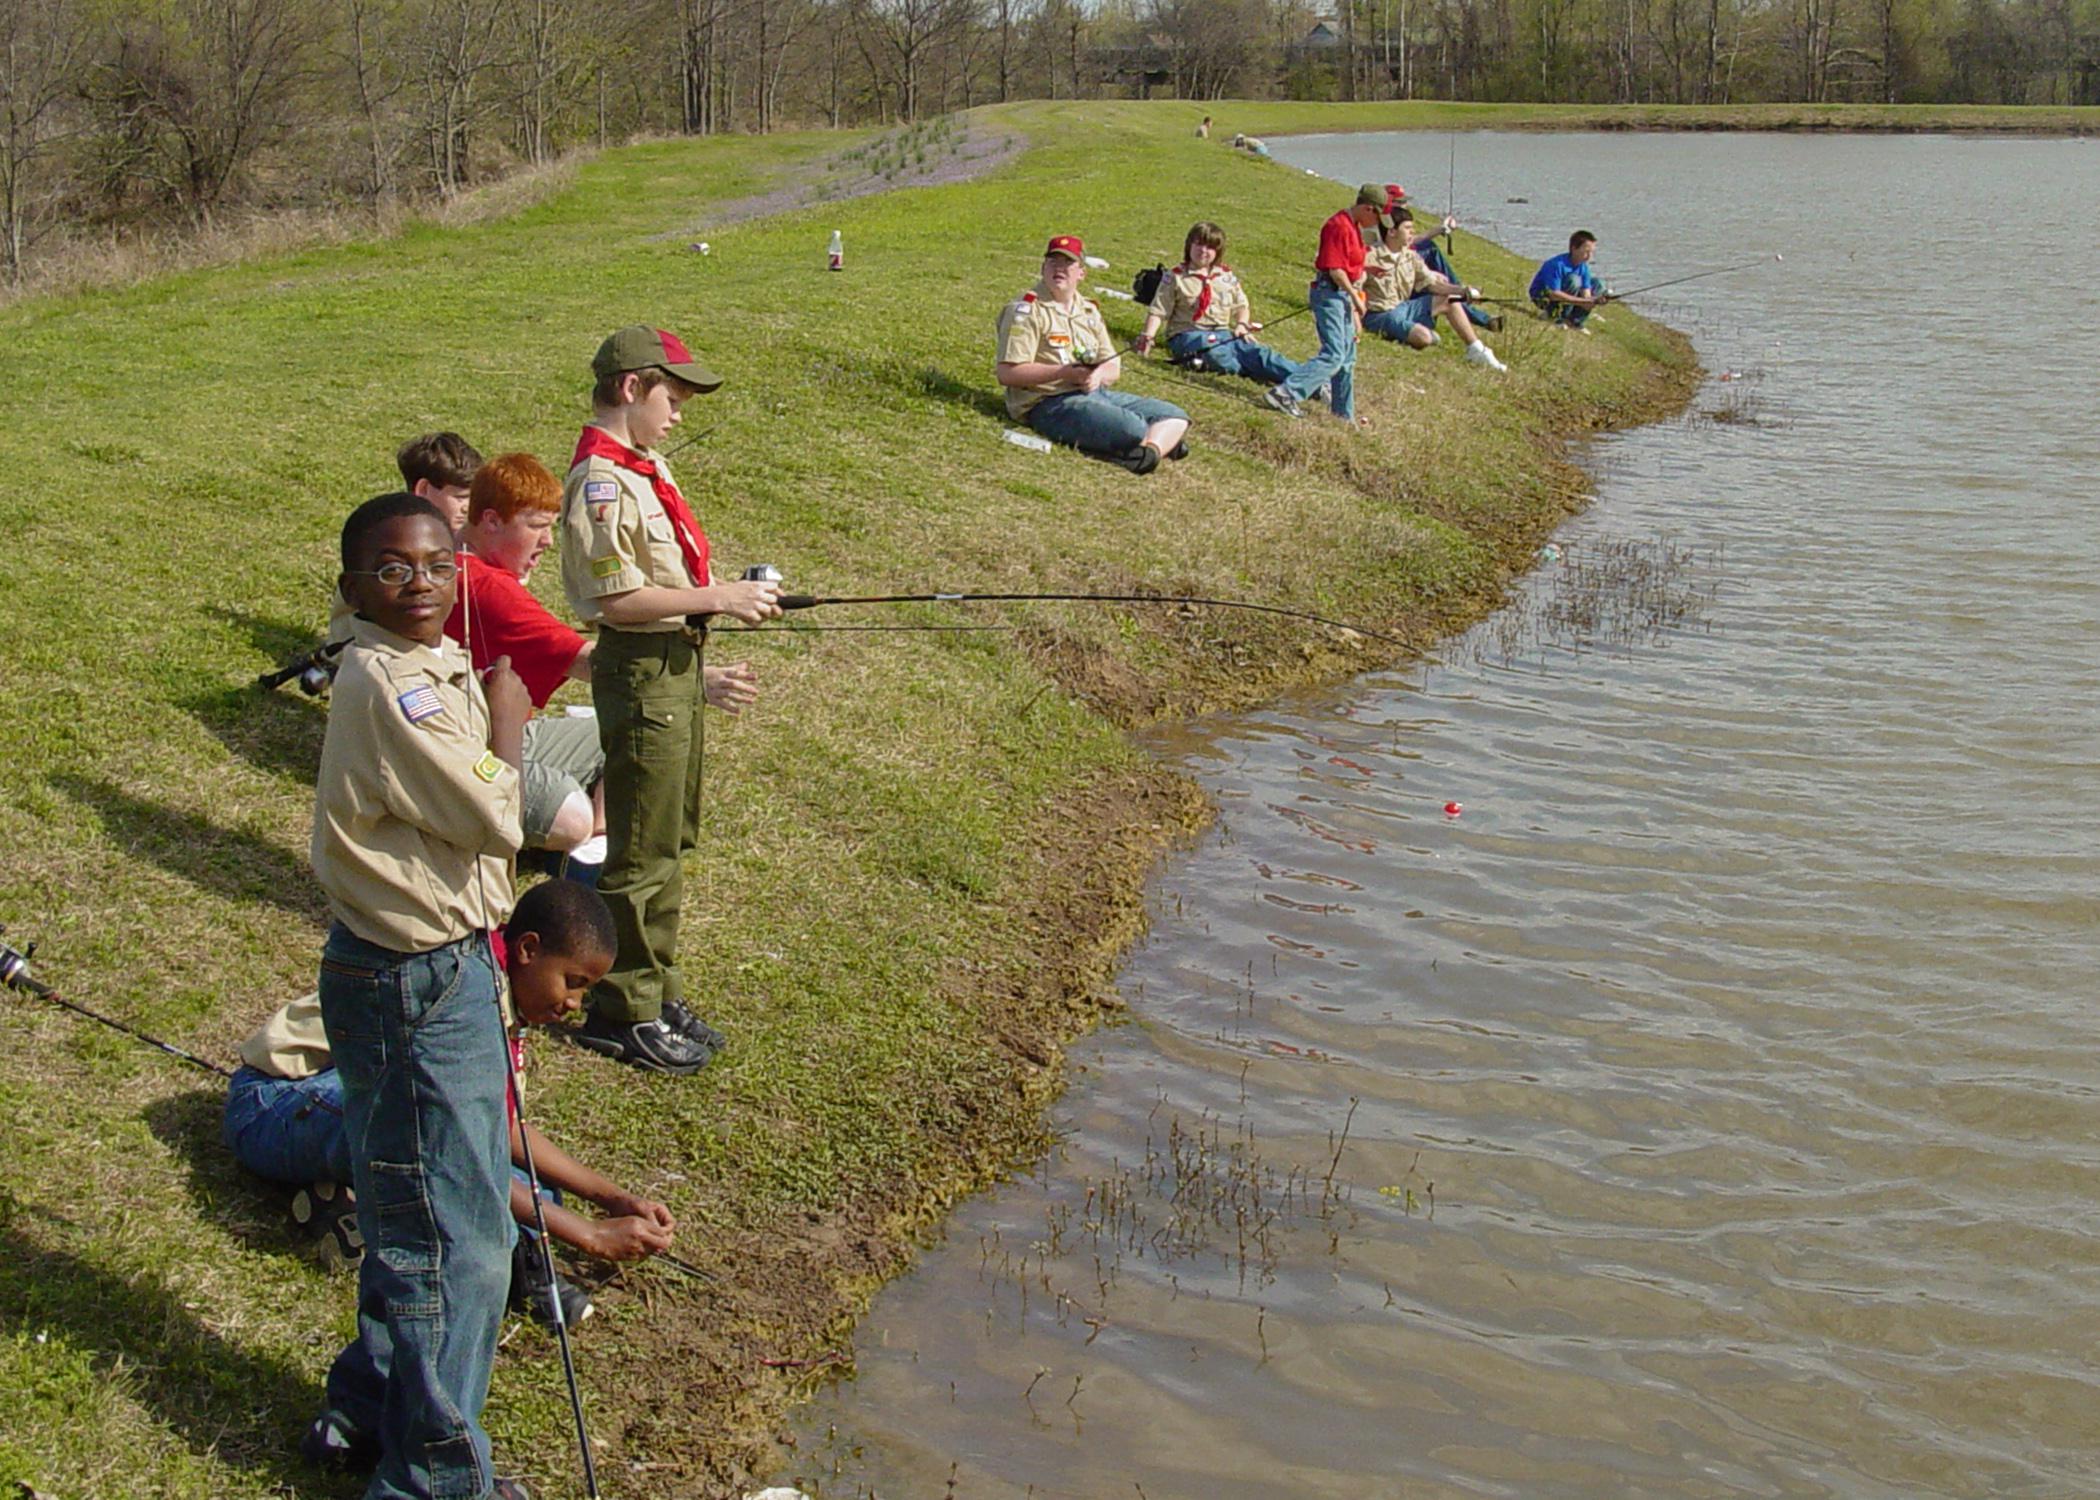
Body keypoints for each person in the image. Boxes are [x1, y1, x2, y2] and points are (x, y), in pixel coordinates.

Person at [303, 491, 532, 1498]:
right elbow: (495, 809)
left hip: (442, 962)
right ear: (352, 587)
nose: (420, 585)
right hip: (411, 977)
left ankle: (368, 1402)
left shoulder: (424, 667)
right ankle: (433, 1480)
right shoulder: (396, 687)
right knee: (457, 1239)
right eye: (393, 570)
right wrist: (514, 726)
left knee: (432, 1204)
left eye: (438, 565)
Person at [223, 880, 675, 1331]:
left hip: (353, 1100)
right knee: (437, 1154)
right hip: (273, 1101)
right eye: (572, 983)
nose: (573, 1005)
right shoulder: (465, 997)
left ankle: (361, 1198)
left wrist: (611, 1198)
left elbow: (503, 1128)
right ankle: (399, 1212)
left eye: (586, 992)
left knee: (532, 1188)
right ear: (528, 950)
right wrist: (587, 1234)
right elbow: (451, 1145)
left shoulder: (504, 990)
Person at [560, 325, 783, 1075]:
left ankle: (658, 988)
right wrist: (718, 597)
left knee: (672, 840)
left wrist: (718, 605)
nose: (679, 413)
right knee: (640, 850)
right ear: (632, 388)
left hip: (678, 666)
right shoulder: (599, 480)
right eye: (673, 397)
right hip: (643, 669)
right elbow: (614, 599)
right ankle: (619, 1010)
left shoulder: (644, 464)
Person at [450, 453, 763, 882]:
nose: (546, 542)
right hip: (475, 753)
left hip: (507, 733)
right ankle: (571, 841)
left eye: (551, 527)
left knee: (628, 724)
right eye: (536, 527)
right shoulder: (488, 588)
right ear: (490, 521)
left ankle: (572, 829)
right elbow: (586, 660)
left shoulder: (451, 551)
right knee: (574, 817)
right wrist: (693, 680)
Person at [996, 235, 1190, 474]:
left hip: (1094, 393)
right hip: (1047, 402)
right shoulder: (1025, 311)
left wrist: (1097, 375)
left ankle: (1149, 451)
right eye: (1053, 262)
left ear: (1081, 273)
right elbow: (1007, 373)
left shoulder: (1088, 310)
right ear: (1042, 267)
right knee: (1133, 427)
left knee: (1176, 415)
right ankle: (1156, 441)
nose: (1059, 269)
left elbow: (1112, 364)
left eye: (1067, 264)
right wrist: (1062, 373)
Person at [1263, 184, 1388, 425]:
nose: (1377, 223)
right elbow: (1334, 270)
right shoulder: (1337, 226)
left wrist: (1366, 269)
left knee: (1348, 358)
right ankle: (1286, 393)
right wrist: (1355, 298)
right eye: (1376, 216)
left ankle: (1343, 414)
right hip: (1330, 295)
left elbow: (1347, 261)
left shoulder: (1354, 226)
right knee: (1334, 354)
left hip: (1340, 295)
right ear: (1367, 208)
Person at [1131, 222, 1302, 392]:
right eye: (1198, 244)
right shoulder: (1175, 277)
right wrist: (1147, 336)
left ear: (1217, 252)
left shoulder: (1225, 276)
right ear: (1189, 245)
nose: (1203, 251)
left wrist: (1242, 325)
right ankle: (1255, 370)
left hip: (1224, 333)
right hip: (1189, 334)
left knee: (1262, 353)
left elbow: (1241, 305)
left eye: (1210, 247)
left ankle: (1310, 380)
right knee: (1214, 351)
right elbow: (1159, 310)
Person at [1363, 209, 1507, 372]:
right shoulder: (1370, 257)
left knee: (1449, 300)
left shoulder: (1410, 256)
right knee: (1423, 338)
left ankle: (1477, 350)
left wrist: (1462, 291)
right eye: (1408, 228)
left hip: (1403, 307)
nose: (1412, 232)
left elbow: (1432, 284)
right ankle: (1425, 334)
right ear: (1392, 231)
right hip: (1380, 315)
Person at [1383, 184, 1501, 332]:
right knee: (1440, 287)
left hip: (1411, 264)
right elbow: (1401, 251)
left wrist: (1440, 229)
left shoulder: (1397, 222)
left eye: (1404, 202)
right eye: (1400, 202)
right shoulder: (1386, 226)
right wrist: (1431, 274)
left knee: (1430, 249)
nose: (1404, 205)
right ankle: (1476, 309)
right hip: (1402, 275)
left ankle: (1463, 293)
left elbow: (1411, 243)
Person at [1530, 230, 1610, 329]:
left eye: (1592, 252)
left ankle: (1575, 321)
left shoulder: (1583, 267)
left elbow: (1586, 294)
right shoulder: (1556, 264)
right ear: (1574, 249)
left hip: (1565, 293)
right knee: (1574, 280)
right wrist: (1582, 302)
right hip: (1543, 297)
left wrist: (1594, 301)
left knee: (1598, 284)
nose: (1589, 256)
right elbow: (1554, 294)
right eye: (1586, 252)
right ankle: (1556, 316)